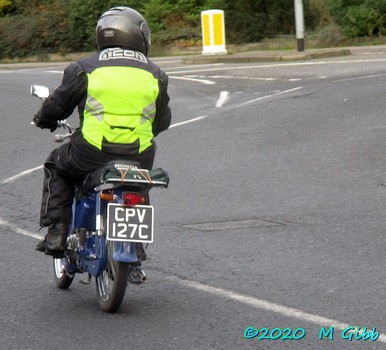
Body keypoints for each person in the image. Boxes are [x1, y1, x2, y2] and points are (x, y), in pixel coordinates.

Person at [33, 6, 171, 259]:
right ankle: (136, 247)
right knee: (138, 184)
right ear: (138, 35)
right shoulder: (156, 74)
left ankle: (57, 232)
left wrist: (43, 118)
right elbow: (162, 121)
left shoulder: (84, 68)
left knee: (56, 164)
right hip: (139, 156)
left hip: (89, 153)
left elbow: (57, 105)